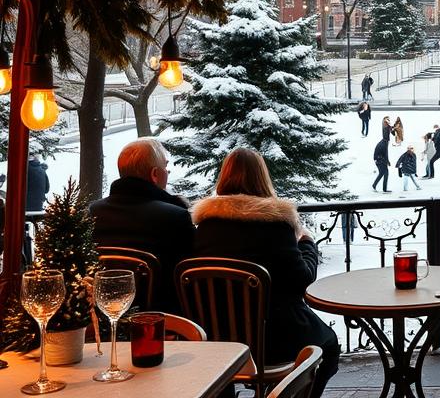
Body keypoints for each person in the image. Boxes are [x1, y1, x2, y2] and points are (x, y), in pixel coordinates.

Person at [191, 148, 340, 393]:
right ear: (262, 178)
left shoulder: (205, 227)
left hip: (220, 340)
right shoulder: (275, 225)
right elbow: (302, 279)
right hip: (275, 338)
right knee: (329, 346)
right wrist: (306, 242)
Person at [90, 138, 194, 314]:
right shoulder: (175, 217)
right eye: (165, 167)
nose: (167, 171)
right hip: (161, 321)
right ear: (155, 174)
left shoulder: (92, 213)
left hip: (102, 317)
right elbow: (187, 279)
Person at [26, 146, 50, 212]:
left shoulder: (23, 170)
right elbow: (47, 190)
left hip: (24, 206)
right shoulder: (42, 171)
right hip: (39, 206)